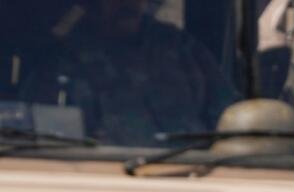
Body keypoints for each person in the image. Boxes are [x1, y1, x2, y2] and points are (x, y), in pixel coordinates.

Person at [20, 0, 240, 145]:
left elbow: (234, 118)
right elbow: (49, 145)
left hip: (201, 175)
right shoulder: (61, 62)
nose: (127, 2)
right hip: (105, 179)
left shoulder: (181, 48)